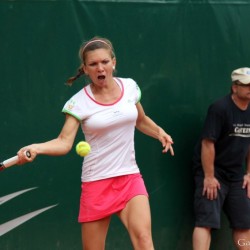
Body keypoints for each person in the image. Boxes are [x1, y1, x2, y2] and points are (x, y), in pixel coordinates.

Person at [17, 37, 174, 250]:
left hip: (129, 177)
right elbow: (64, 142)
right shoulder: (78, 102)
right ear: (85, 69)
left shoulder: (129, 87)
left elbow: (140, 119)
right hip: (97, 183)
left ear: (113, 62)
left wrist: (159, 132)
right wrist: (36, 147)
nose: (100, 68)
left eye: (104, 62)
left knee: (145, 241)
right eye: (93, 64)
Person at [192, 67, 250, 250]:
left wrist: (249, 173)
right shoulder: (220, 108)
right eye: (247, 85)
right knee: (205, 222)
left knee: (244, 223)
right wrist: (208, 177)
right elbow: (207, 144)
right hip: (212, 172)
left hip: (236, 175)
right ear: (235, 87)